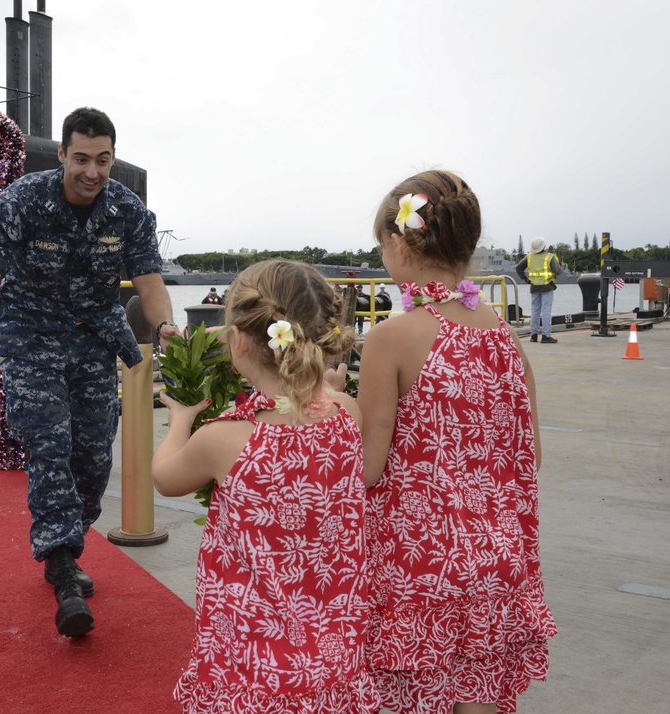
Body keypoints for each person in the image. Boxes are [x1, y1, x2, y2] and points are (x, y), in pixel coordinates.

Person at [0, 107, 178, 639]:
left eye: (103, 160)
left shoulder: (128, 210)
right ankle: (61, 562)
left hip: (93, 340)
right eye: (81, 158)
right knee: (49, 443)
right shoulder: (22, 200)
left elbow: (148, 280)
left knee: (92, 455)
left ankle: (67, 538)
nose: (92, 171)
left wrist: (168, 325)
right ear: (62, 154)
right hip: (31, 335)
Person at [356, 171, 557, 714]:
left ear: (399, 243)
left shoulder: (389, 338)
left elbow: (369, 466)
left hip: (422, 563)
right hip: (498, 557)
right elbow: (528, 453)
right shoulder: (502, 333)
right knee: (477, 698)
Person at [152, 259, 377, 713]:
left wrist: (180, 421)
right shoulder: (348, 413)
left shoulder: (224, 438)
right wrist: (328, 387)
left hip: (250, 647)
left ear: (237, 340)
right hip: (334, 636)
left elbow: (165, 477)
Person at [516, 237, 562, 343]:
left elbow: (519, 268)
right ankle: (546, 336)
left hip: (534, 287)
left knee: (535, 310)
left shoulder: (529, 256)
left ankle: (534, 335)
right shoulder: (549, 257)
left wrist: (526, 279)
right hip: (547, 286)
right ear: (544, 246)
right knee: (546, 310)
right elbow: (558, 271)